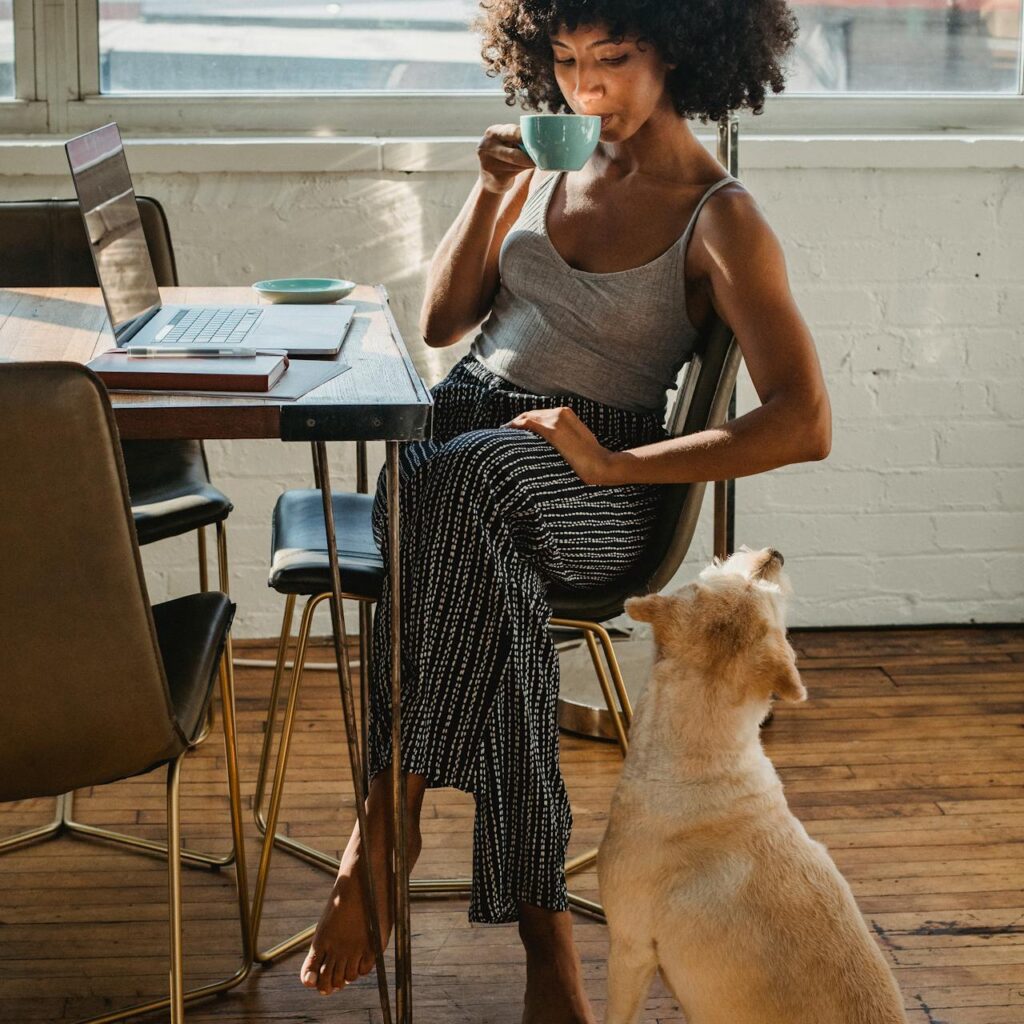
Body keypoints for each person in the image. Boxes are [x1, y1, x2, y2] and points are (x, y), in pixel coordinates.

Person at [300, 0, 831, 1020]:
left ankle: (385, 818)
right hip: (466, 442)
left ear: (676, 50)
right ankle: (542, 934)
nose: (586, 87)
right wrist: (489, 191)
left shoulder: (718, 214)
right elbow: (442, 321)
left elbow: (804, 421)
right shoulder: (545, 164)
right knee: (450, 500)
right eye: (566, 59)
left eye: (614, 59)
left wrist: (616, 465)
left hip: (592, 473)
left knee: (446, 487)